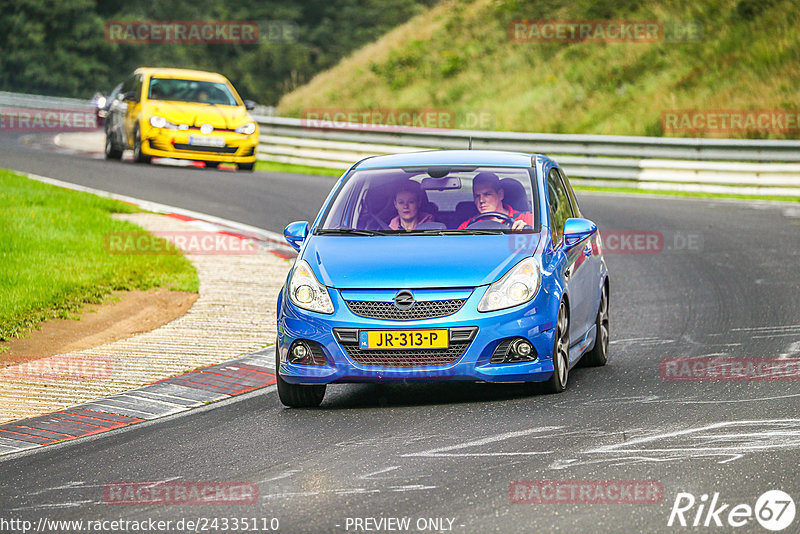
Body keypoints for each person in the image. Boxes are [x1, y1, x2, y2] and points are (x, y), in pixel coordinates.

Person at [458, 172, 533, 230]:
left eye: (487, 194)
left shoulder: (526, 218)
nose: (481, 200)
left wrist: (526, 232)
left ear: (500, 195)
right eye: (477, 196)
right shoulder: (467, 226)